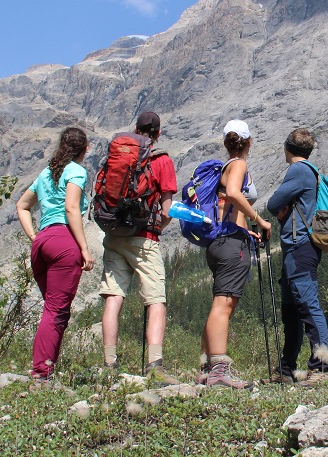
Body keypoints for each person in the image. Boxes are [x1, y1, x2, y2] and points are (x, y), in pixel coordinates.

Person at [98, 112, 179, 385]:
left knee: (113, 297)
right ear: (157, 133)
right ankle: (154, 365)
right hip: (143, 237)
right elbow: (167, 209)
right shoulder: (161, 160)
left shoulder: (118, 155)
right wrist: (158, 227)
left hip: (113, 233)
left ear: (135, 129)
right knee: (155, 299)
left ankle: (109, 364)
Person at [16, 126, 95, 383]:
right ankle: (41, 372)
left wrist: (34, 236)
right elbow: (72, 209)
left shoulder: (46, 173)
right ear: (85, 149)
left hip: (41, 243)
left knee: (54, 309)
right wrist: (84, 248)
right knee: (55, 310)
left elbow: (22, 205)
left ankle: (46, 368)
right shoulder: (76, 171)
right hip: (63, 242)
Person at [198, 119, 273, 389]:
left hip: (221, 239)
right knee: (224, 304)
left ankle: (206, 369)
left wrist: (245, 230)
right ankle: (218, 372)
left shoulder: (226, 166)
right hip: (230, 243)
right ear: (248, 141)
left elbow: (226, 205)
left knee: (219, 305)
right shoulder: (239, 164)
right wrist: (259, 220)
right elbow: (232, 195)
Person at [266, 128, 328, 386]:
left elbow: (273, 204)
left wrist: (281, 209)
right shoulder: (313, 171)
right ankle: (286, 369)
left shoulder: (298, 170)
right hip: (302, 246)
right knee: (293, 310)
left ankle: (321, 367)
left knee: (306, 305)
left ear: (288, 148)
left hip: (299, 246)